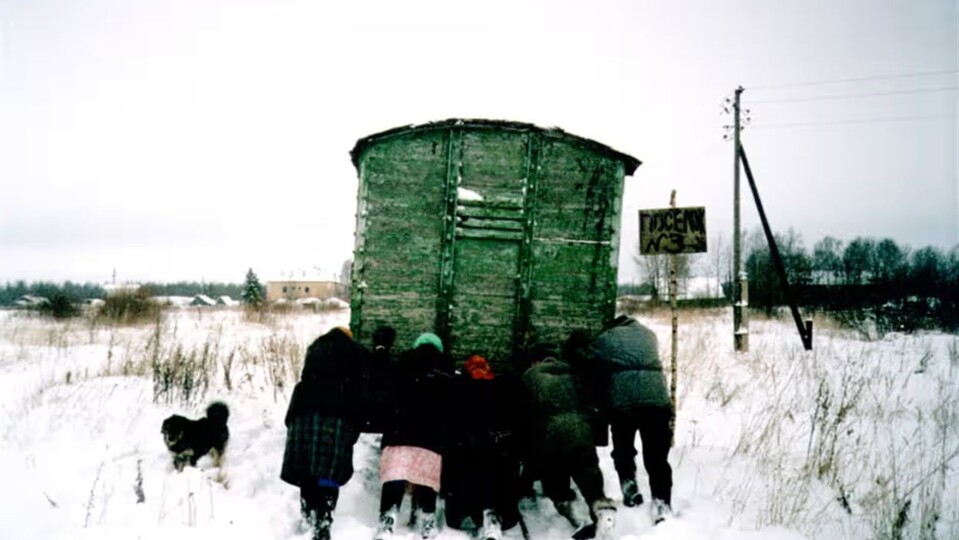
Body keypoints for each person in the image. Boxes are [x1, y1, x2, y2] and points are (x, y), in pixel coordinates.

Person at [580, 315, 674, 523]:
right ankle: (662, 504)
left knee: (624, 449)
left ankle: (629, 487)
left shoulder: (607, 338)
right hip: (656, 401)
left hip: (623, 403)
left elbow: (585, 356)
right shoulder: (650, 335)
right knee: (657, 456)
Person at [280, 326, 370, 540]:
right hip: (336, 411)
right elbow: (362, 388)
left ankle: (307, 516)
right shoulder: (355, 351)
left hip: (304, 408)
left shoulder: (315, 348)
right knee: (329, 471)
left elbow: (305, 376)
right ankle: (323, 522)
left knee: (307, 468)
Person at [520, 343, 616, 540]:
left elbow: (523, 412)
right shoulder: (574, 374)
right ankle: (600, 505)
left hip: (550, 431)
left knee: (556, 477)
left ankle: (576, 515)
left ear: (536, 360)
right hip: (581, 428)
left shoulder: (530, 375)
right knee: (587, 469)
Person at [374, 332, 453, 540]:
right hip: (431, 438)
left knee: (396, 477)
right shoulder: (446, 371)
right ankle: (427, 521)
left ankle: (387, 521)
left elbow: (382, 388)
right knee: (426, 478)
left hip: (399, 433)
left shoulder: (401, 365)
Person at [441, 354, 524, 540]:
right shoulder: (500, 388)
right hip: (496, 452)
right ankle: (491, 518)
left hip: (467, 454)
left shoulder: (459, 388)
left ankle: (477, 516)